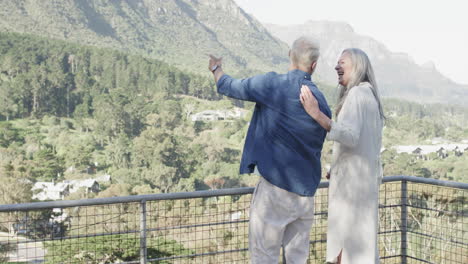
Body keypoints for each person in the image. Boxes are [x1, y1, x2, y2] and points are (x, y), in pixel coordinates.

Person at [208, 36, 331, 263]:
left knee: (263, 256)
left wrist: (216, 68)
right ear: (313, 66)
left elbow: (228, 86)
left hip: (275, 190)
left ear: (289, 56)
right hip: (306, 192)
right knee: (297, 259)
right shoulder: (321, 101)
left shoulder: (273, 84)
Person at [300, 48, 384, 263]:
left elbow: (350, 136)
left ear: (357, 66)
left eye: (342, 62)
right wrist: (335, 169)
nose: (337, 66)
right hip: (362, 186)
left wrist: (315, 113)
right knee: (357, 248)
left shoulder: (357, 94)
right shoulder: (370, 96)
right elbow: (365, 145)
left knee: (346, 250)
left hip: (351, 191)